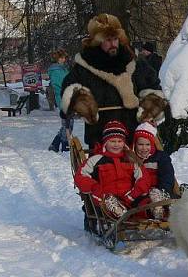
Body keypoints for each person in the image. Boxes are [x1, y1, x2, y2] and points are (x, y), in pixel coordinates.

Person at [60, 14, 165, 150]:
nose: (113, 44)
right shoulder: (85, 65)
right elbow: (69, 89)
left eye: (115, 39)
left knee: (135, 170)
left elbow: (152, 85)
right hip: (98, 134)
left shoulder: (132, 60)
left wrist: (149, 110)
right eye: (108, 40)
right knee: (103, 170)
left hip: (132, 132)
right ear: (98, 42)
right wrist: (82, 104)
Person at [74, 120, 143, 219]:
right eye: (112, 141)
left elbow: (143, 177)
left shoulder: (130, 158)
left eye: (120, 141)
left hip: (128, 197)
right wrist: (94, 187)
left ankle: (155, 211)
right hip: (104, 197)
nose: (116, 145)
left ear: (124, 143)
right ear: (105, 142)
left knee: (143, 199)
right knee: (108, 202)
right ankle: (118, 211)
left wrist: (133, 194)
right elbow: (80, 176)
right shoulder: (96, 159)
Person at [125, 122, 176, 220]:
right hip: (142, 194)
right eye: (140, 144)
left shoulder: (160, 157)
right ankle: (156, 211)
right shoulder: (131, 159)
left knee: (170, 197)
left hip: (161, 191)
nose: (144, 148)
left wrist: (163, 190)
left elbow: (167, 175)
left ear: (152, 144)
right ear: (135, 144)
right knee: (142, 205)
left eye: (147, 144)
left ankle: (168, 207)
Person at [47, 49, 72, 152]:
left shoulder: (62, 69)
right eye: (62, 58)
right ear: (57, 59)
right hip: (63, 97)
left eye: (64, 57)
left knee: (67, 122)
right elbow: (58, 85)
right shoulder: (56, 70)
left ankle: (56, 143)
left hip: (68, 96)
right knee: (68, 122)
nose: (64, 59)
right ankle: (64, 144)